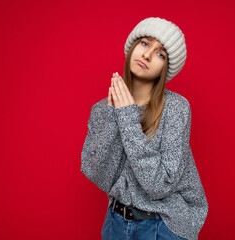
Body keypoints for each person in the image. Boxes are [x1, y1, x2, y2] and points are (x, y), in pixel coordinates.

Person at [81, 17, 208, 240]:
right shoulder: (102, 109)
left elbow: (158, 186)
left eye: (161, 54)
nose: (148, 55)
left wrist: (128, 117)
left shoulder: (176, 108)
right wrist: (114, 117)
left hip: (162, 226)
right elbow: (99, 176)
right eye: (145, 43)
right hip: (115, 225)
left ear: (165, 69)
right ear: (133, 47)